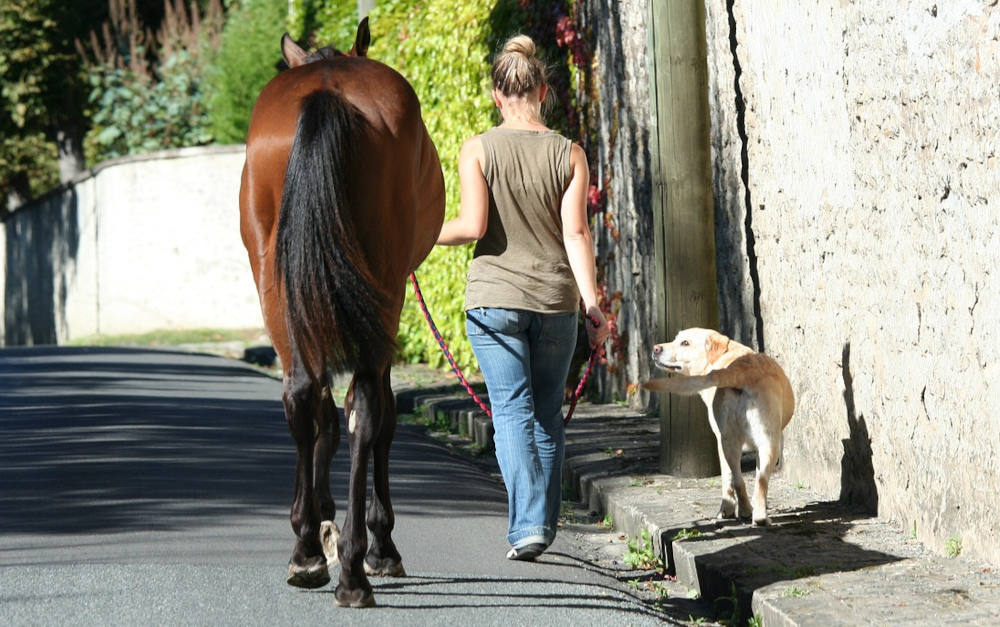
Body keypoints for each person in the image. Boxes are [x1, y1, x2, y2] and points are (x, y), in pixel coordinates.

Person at [436, 34, 611, 561]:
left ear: (497, 95)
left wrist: (418, 236)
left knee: (512, 412)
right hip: (555, 302)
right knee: (547, 415)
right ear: (542, 90)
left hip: (494, 300)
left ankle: (530, 526)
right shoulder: (569, 153)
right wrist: (592, 305)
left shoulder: (478, 149)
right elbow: (577, 233)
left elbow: (472, 226)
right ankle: (539, 525)